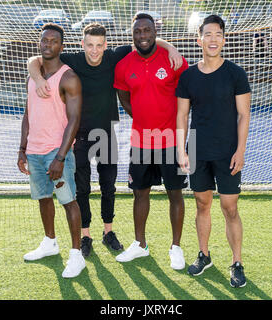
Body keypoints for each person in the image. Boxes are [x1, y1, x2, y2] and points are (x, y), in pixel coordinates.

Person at [27, 23, 184, 258]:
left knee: (108, 186)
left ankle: (108, 232)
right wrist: (38, 79)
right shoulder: (73, 60)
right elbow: (35, 59)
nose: (94, 50)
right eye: (90, 45)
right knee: (82, 187)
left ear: (106, 45)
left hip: (106, 132)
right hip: (79, 135)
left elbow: (144, 42)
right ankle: (86, 235)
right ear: (82, 44)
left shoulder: (114, 56)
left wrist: (169, 46)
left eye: (99, 45)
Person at [176, 15, 251, 287]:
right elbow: (182, 116)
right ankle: (204, 255)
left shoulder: (235, 74)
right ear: (199, 39)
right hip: (197, 150)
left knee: (230, 208)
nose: (213, 39)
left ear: (224, 39)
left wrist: (240, 150)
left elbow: (244, 115)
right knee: (202, 204)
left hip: (228, 151)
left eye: (218, 34)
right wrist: (181, 150)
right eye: (208, 34)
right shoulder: (188, 77)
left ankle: (237, 262)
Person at [113, 13, 189, 270]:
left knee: (175, 194)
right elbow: (123, 96)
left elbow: (185, 99)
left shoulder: (173, 60)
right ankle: (140, 245)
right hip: (140, 140)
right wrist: (141, 117)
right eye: (138, 32)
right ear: (132, 34)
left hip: (171, 139)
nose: (143, 36)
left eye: (147, 30)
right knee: (139, 193)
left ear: (156, 32)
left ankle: (176, 247)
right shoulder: (124, 64)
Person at [18, 23, 85, 278]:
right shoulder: (32, 77)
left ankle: (76, 255)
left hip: (57, 153)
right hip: (34, 152)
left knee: (69, 201)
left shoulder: (69, 78)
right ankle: (50, 242)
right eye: (44, 41)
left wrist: (60, 156)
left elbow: (74, 121)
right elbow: (27, 114)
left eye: (53, 41)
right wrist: (22, 148)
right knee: (43, 198)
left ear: (62, 46)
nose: (48, 45)